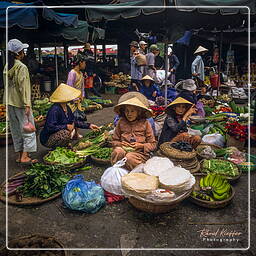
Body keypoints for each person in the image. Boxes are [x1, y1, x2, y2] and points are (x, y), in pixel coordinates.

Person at [3, 39, 37, 164]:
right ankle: (25, 157)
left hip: (9, 102)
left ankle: (19, 155)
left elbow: (6, 86)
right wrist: (27, 104)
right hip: (21, 103)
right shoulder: (21, 67)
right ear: (19, 53)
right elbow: (24, 88)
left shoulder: (7, 66)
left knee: (16, 130)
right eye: (23, 50)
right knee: (28, 129)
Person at [40, 83, 99, 148]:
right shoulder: (55, 109)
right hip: (48, 138)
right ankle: (57, 148)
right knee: (65, 133)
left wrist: (89, 125)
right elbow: (50, 127)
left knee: (68, 130)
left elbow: (74, 121)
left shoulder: (67, 107)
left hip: (58, 133)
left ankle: (62, 147)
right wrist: (66, 126)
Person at [111, 97, 157, 171]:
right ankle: (118, 172)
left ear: (138, 112)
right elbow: (114, 141)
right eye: (127, 111)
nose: (129, 114)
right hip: (123, 151)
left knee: (129, 157)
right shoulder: (121, 122)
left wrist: (141, 146)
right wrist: (121, 144)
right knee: (118, 151)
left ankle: (134, 175)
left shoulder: (145, 123)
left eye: (132, 111)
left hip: (140, 154)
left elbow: (153, 144)